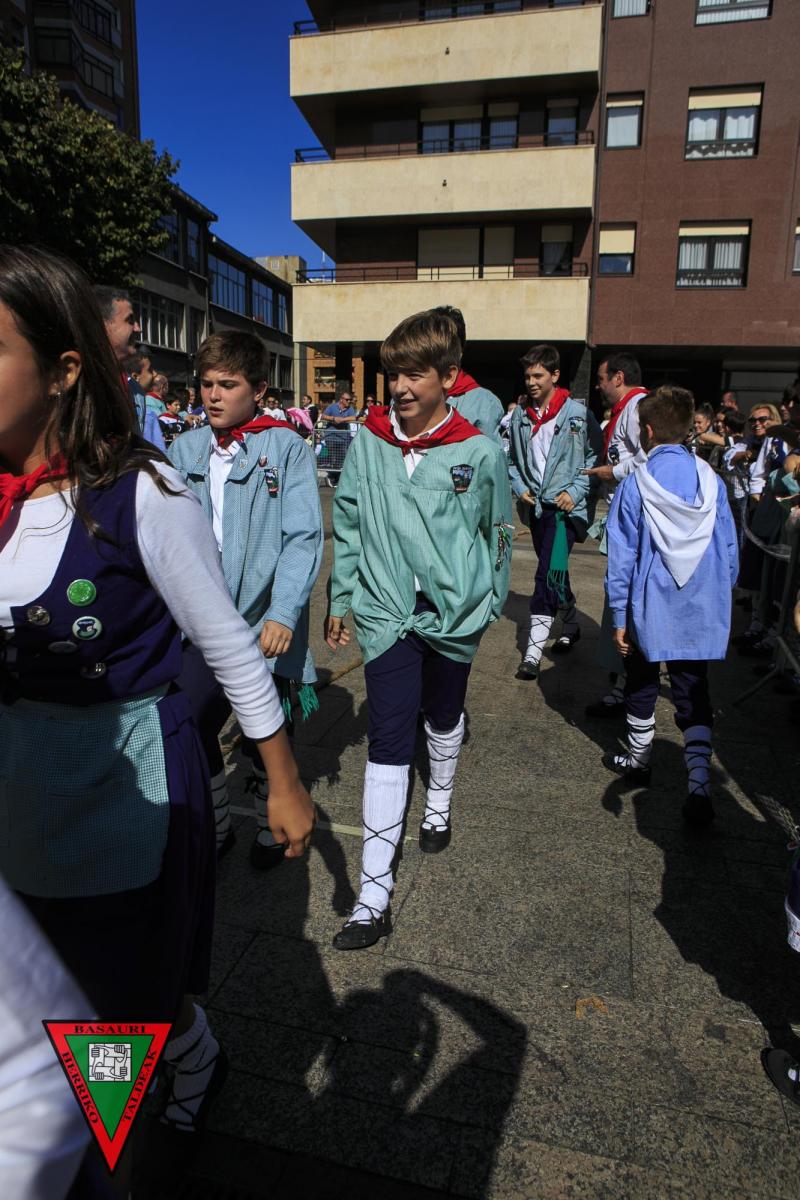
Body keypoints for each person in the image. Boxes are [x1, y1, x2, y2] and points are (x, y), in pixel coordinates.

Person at [0, 245, 315, 1167]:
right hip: (20, 784)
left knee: (113, 1000)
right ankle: (179, 1055)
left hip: (125, 782)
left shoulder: (145, 492)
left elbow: (227, 643)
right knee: (52, 979)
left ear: (64, 371)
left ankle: (108, 1137)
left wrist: (283, 780)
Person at [324, 308, 512, 950]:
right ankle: (373, 895)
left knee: (444, 712)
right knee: (388, 735)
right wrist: (341, 597)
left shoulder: (478, 450)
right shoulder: (369, 443)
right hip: (386, 613)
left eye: (414, 375)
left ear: (448, 377)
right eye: (393, 375)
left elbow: (499, 530)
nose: (400, 388)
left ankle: (439, 801)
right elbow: (349, 522)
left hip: (453, 615)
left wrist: (487, 601)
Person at [170, 332, 323, 867]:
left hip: (262, 620)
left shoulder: (285, 447)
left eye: (228, 385)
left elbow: (302, 537)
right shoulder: (185, 449)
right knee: (188, 719)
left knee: (266, 731)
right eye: (206, 384)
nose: (213, 395)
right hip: (201, 618)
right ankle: (216, 825)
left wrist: (283, 611)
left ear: (258, 390)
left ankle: (268, 825)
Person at [603, 386, 738, 826]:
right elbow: (730, 551)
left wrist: (619, 616)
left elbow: (622, 558)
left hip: (649, 603)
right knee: (693, 688)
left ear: (647, 430)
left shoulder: (636, 483)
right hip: (700, 603)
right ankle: (698, 782)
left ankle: (639, 759)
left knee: (641, 681)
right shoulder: (711, 480)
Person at [507, 343, 602, 679]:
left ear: (555, 375)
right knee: (556, 570)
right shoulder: (519, 416)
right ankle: (571, 624)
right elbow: (511, 459)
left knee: (547, 572)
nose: (531, 382)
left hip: (565, 511)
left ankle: (532, 654)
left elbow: (595, 458)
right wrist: (520, 486)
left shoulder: (578, 414)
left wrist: (574, 492)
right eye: (527, 376)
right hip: (536, 508)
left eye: (538, 375)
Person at [582, 353, 649, 719]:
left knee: (625, 599)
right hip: (625, 516)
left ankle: (627, 690)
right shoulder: (628, 409)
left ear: (618, 377)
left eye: (601, 379)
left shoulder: (637, 407)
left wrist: (612, 471)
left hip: (635, 519)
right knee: (619, 599)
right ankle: (624, 683)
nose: (598, 386)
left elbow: (649, 459)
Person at [92, 284, 166, 452]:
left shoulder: (135, 390)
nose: (138, 329)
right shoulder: (71, 381)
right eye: (130, 320)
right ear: (101, 325)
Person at [432, 305, 504, 441]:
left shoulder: (483, 403)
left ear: (459, 351)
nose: (436, 351)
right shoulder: (408, 394)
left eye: (445, 343)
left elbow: (489, 453)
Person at [321, 391, 358, 485]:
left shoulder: (350, 409)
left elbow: (354, 418)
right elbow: (323, 416)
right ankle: (332, 477)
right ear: (341, 399)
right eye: (347, 400)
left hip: (343, 437)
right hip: (331, 436)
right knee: (334, 458)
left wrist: (342, 420)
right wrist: (333, 418)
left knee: (342, 458)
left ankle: (335, 477)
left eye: (350, 400)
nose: (349, 401)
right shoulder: (332, 407)